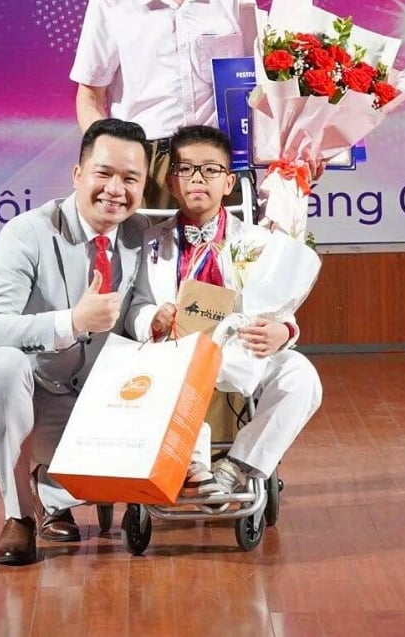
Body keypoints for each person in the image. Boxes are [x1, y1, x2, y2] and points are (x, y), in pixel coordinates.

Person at [0, 119, 150, 565]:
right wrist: (71, 322)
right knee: (1, 365)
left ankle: (53, 491)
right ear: (77, 175)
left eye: (130, 178)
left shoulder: (139, 237)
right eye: (104, 173)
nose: (116, 189)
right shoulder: (26, 232)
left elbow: (140, 307)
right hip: (29, 398)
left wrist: (154, 320)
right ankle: (18, 516)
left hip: (99, 403)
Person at [125, 124, 322, 499]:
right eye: (186, 169)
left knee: (302, 377)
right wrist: (151, 317)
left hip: (242, 354)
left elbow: (280, 303)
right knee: (182, 367)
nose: (198, 178)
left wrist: (284, 332)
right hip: (174, 353)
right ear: (170, 181)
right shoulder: (147, 241)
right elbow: (134, 305)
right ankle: (193, 468)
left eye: (211, 170)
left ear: (229, 182)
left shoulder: (257, 241)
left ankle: (236, 466)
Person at [69, 0, 257, 207]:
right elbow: (90, 96)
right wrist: (111, 157)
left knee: (227, 257)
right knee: (143, 257)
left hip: (219, 159)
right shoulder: (110, 2)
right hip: (145, 158)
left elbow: (261, 86)